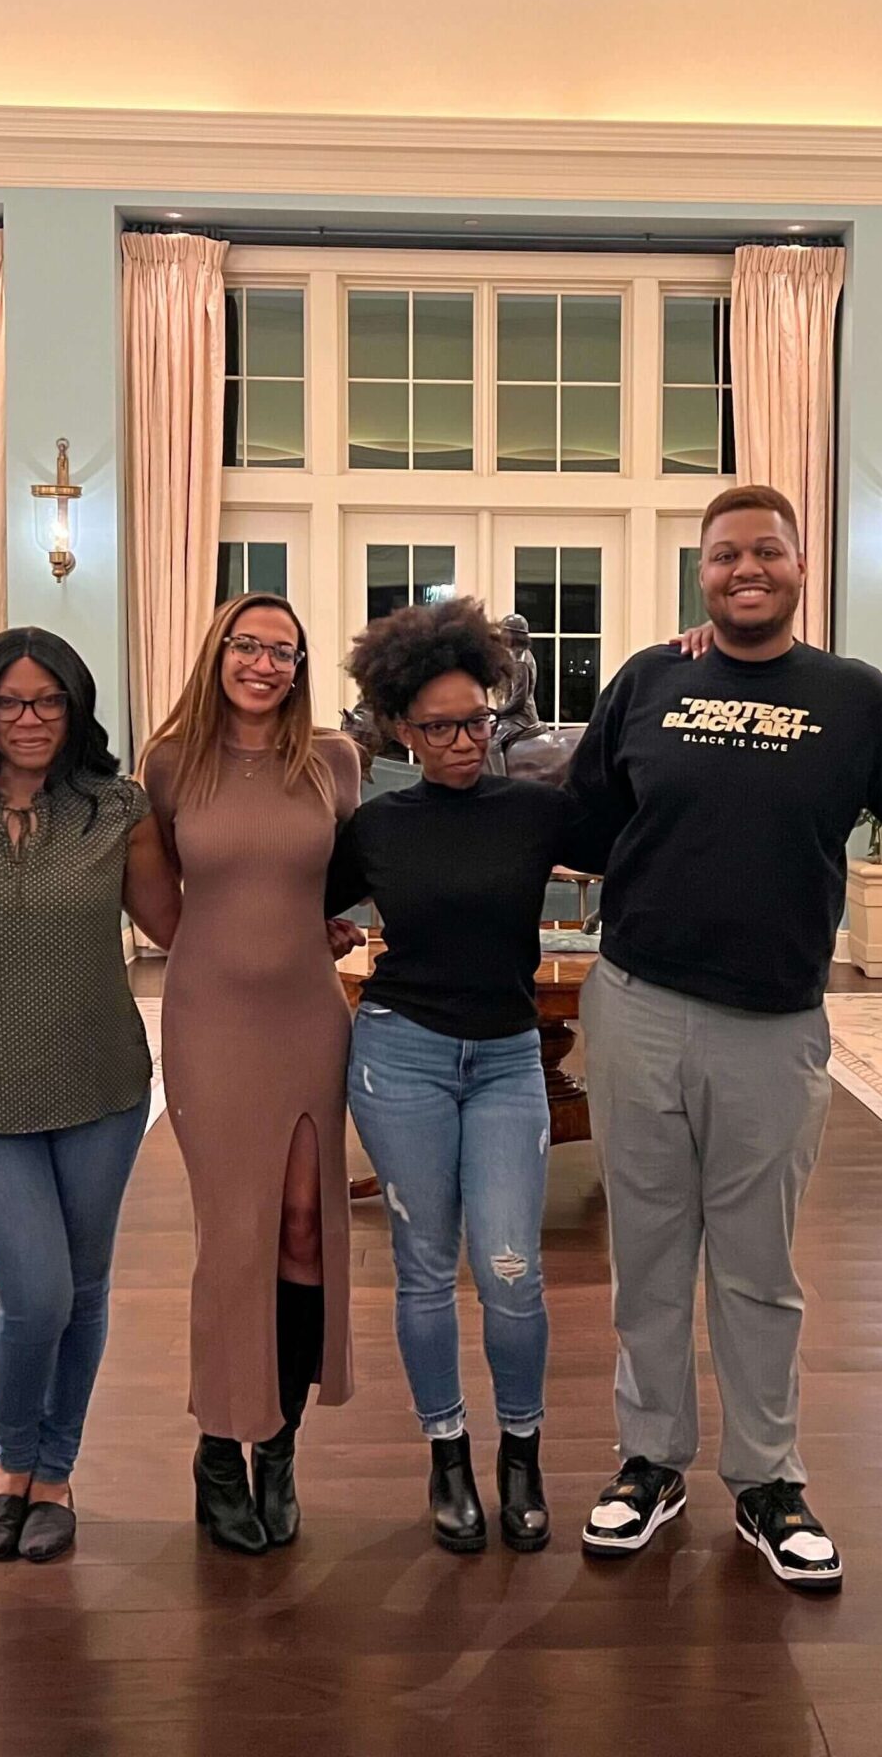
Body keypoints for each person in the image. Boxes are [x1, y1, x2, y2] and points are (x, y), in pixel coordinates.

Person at [567, 483, 882, 1590]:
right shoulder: (650, 680)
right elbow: (586, 821)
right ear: (701, 573)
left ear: (801, 567)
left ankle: (765, 1477)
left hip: (774, 1025)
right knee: (647, 1256)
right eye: (723, 555)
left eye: (766, 552)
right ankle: (647, 1461)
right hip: (638, 1002)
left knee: (756, 1267)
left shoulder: (853, 698)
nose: (745, 568)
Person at [325, 597, 613, 1554]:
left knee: (512, 1270)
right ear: (401, 729)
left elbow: (639, 842)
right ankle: (446, 1454)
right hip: (399, 1051)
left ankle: (520, 1454)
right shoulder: (376, 826)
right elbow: (299, 908)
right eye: (439, 725)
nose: (462, 739)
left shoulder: (535, 812)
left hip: (504, 1057)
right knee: (420, 1271)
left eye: (477, 719)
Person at [0, 628, 176, 1565]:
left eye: (48, 702)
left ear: (75, 709)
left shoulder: (116, 808)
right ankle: (7, 1462)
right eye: (11, 703)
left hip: (100, 1078)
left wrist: (303, 914)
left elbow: (176, 921)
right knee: (36, 1290)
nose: (29, 720)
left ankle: (54, 1474)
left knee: (85, 1286)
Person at [141, 593, 364, 1555]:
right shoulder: (169, 762)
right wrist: (230, 950)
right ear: (217, 649)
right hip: (210, 1022)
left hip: (309, 1019)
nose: (265, 664)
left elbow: (351, 875)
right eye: (249, 645)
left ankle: (279, 1444)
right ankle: (218, 1449)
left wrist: (317, 928)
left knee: (307, 1225)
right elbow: (157, 907)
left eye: (285, 650)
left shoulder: (334, 760)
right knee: (234, 1235)